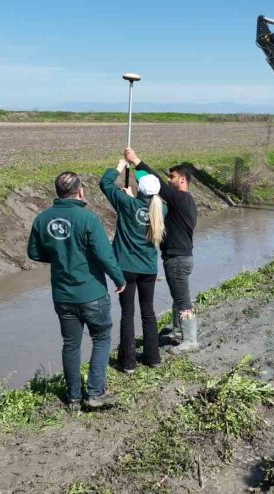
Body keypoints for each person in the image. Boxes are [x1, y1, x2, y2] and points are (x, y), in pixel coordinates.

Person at [28, 171, 126, 410]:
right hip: (91, 292)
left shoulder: (42, 219)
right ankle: (94, 393)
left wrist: (61, 255)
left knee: (70, 344)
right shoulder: (88, 219)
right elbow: (104, 255)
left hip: (62, 295)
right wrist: (119, 279)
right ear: (80, 191)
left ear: (57, 192)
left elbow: (34, 253)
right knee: (101, 338)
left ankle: (72, 396)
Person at [124, 147, 199, 354]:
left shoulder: (180, 198)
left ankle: (190, 339)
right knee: (178, 296)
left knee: (183, 299)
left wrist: (137, 162)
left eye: (173, 177)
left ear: (183, 179)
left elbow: (155, 183)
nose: (169, 180)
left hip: (177, 259)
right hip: (180, 257)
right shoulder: (184, 201)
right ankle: (177, 331)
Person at [99, 159, 166, 372]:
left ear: (139, 190)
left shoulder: (128, 204)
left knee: (127, 313)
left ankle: (128, 363)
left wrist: (119, 167)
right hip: (148, 268)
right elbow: (144, 210)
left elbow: (105, 184)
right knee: (148, 311)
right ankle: (153, 357)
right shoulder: (161, 209)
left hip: (126, 268)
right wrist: (132, 198)